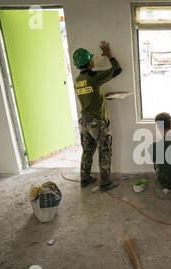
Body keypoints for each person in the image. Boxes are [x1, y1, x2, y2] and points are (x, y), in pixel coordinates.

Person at [72, 41, 122, 192]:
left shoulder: (77, 81)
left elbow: (89, 94)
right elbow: (117, 70)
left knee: (87, 151)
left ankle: (85, 179)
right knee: (104, 150)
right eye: (92, 59)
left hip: (84, 123)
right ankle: (105, 183)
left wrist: (100, 95)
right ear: (89, 63)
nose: (94, 61)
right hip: (97, 123)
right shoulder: (94, 77)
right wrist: (109, 55)